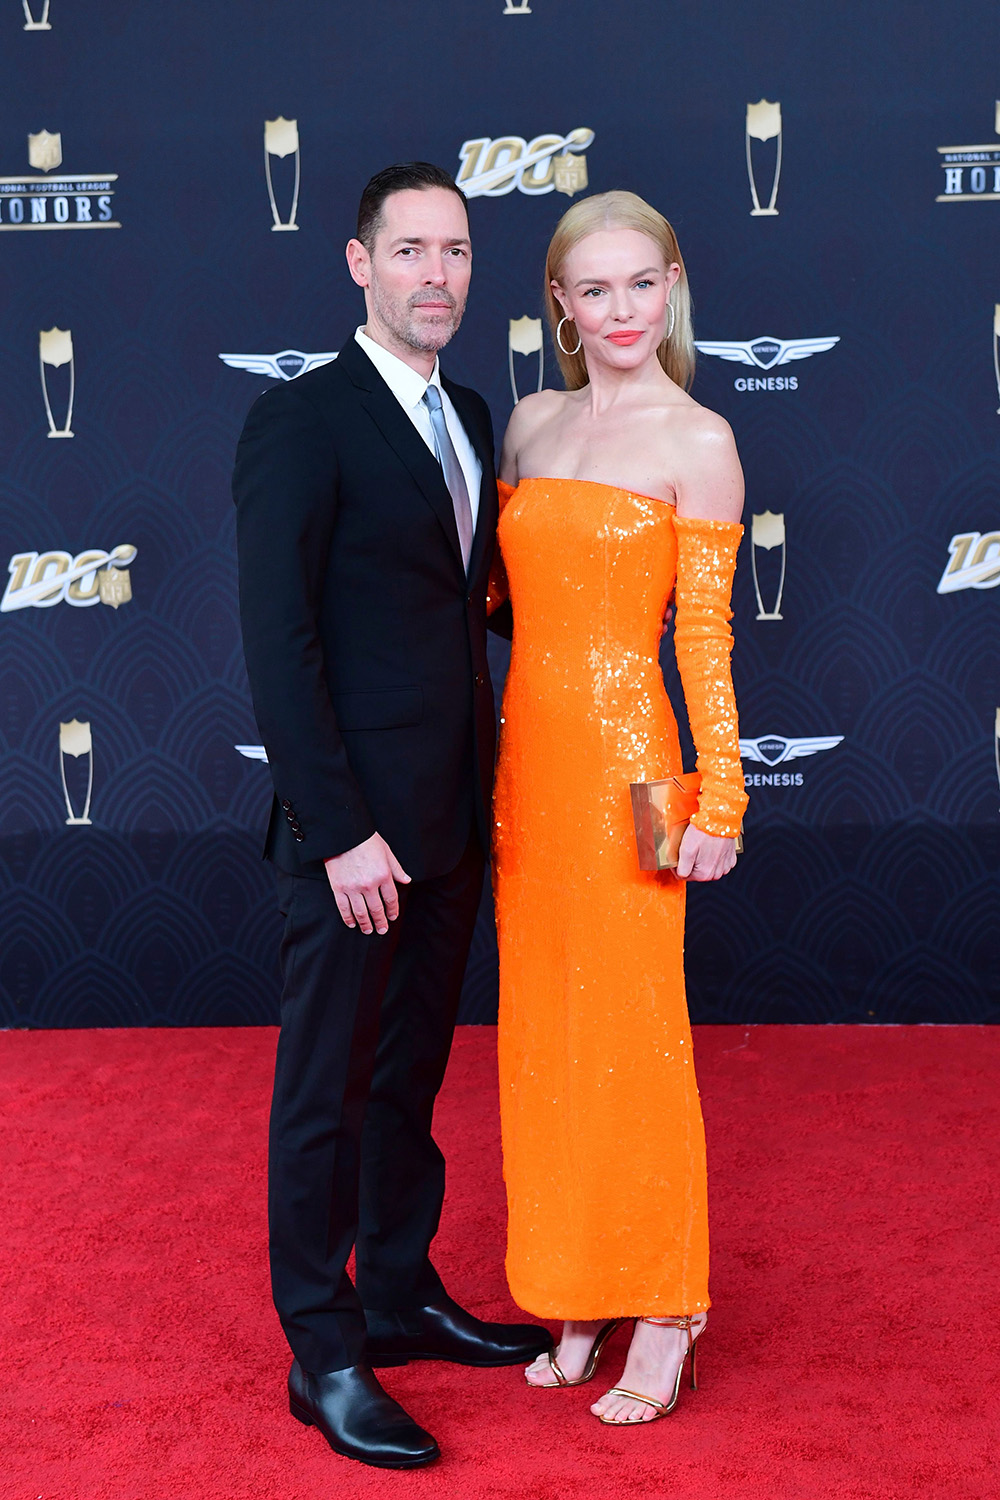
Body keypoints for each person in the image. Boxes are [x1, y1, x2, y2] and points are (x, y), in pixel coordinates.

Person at [233, 161, 548, 1472]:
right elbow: (279, 642)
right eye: (411, 249)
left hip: (456, 822)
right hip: (355, 835)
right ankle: (323, 1344)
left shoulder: (472, 410)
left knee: (411, 1072)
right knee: (325, 1088)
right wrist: (339, 825)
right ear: (359, 265)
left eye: (457, 251)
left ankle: (400, 1289)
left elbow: (472, 609)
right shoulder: (303, 421)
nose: (438, 273)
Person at [491, 190, 748, 1426]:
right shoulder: (530, 428)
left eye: (640, 284)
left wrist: (723, 802)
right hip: (528, 779)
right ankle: (577, 1284)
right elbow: (497, 612)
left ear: (672, 284)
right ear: (560, 304)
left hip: (640, 775)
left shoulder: (696, 440)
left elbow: (703, 641)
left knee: (641, 1036)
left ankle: (664, 1302)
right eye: (593, 290)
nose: (620, 310)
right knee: (546, 1042)